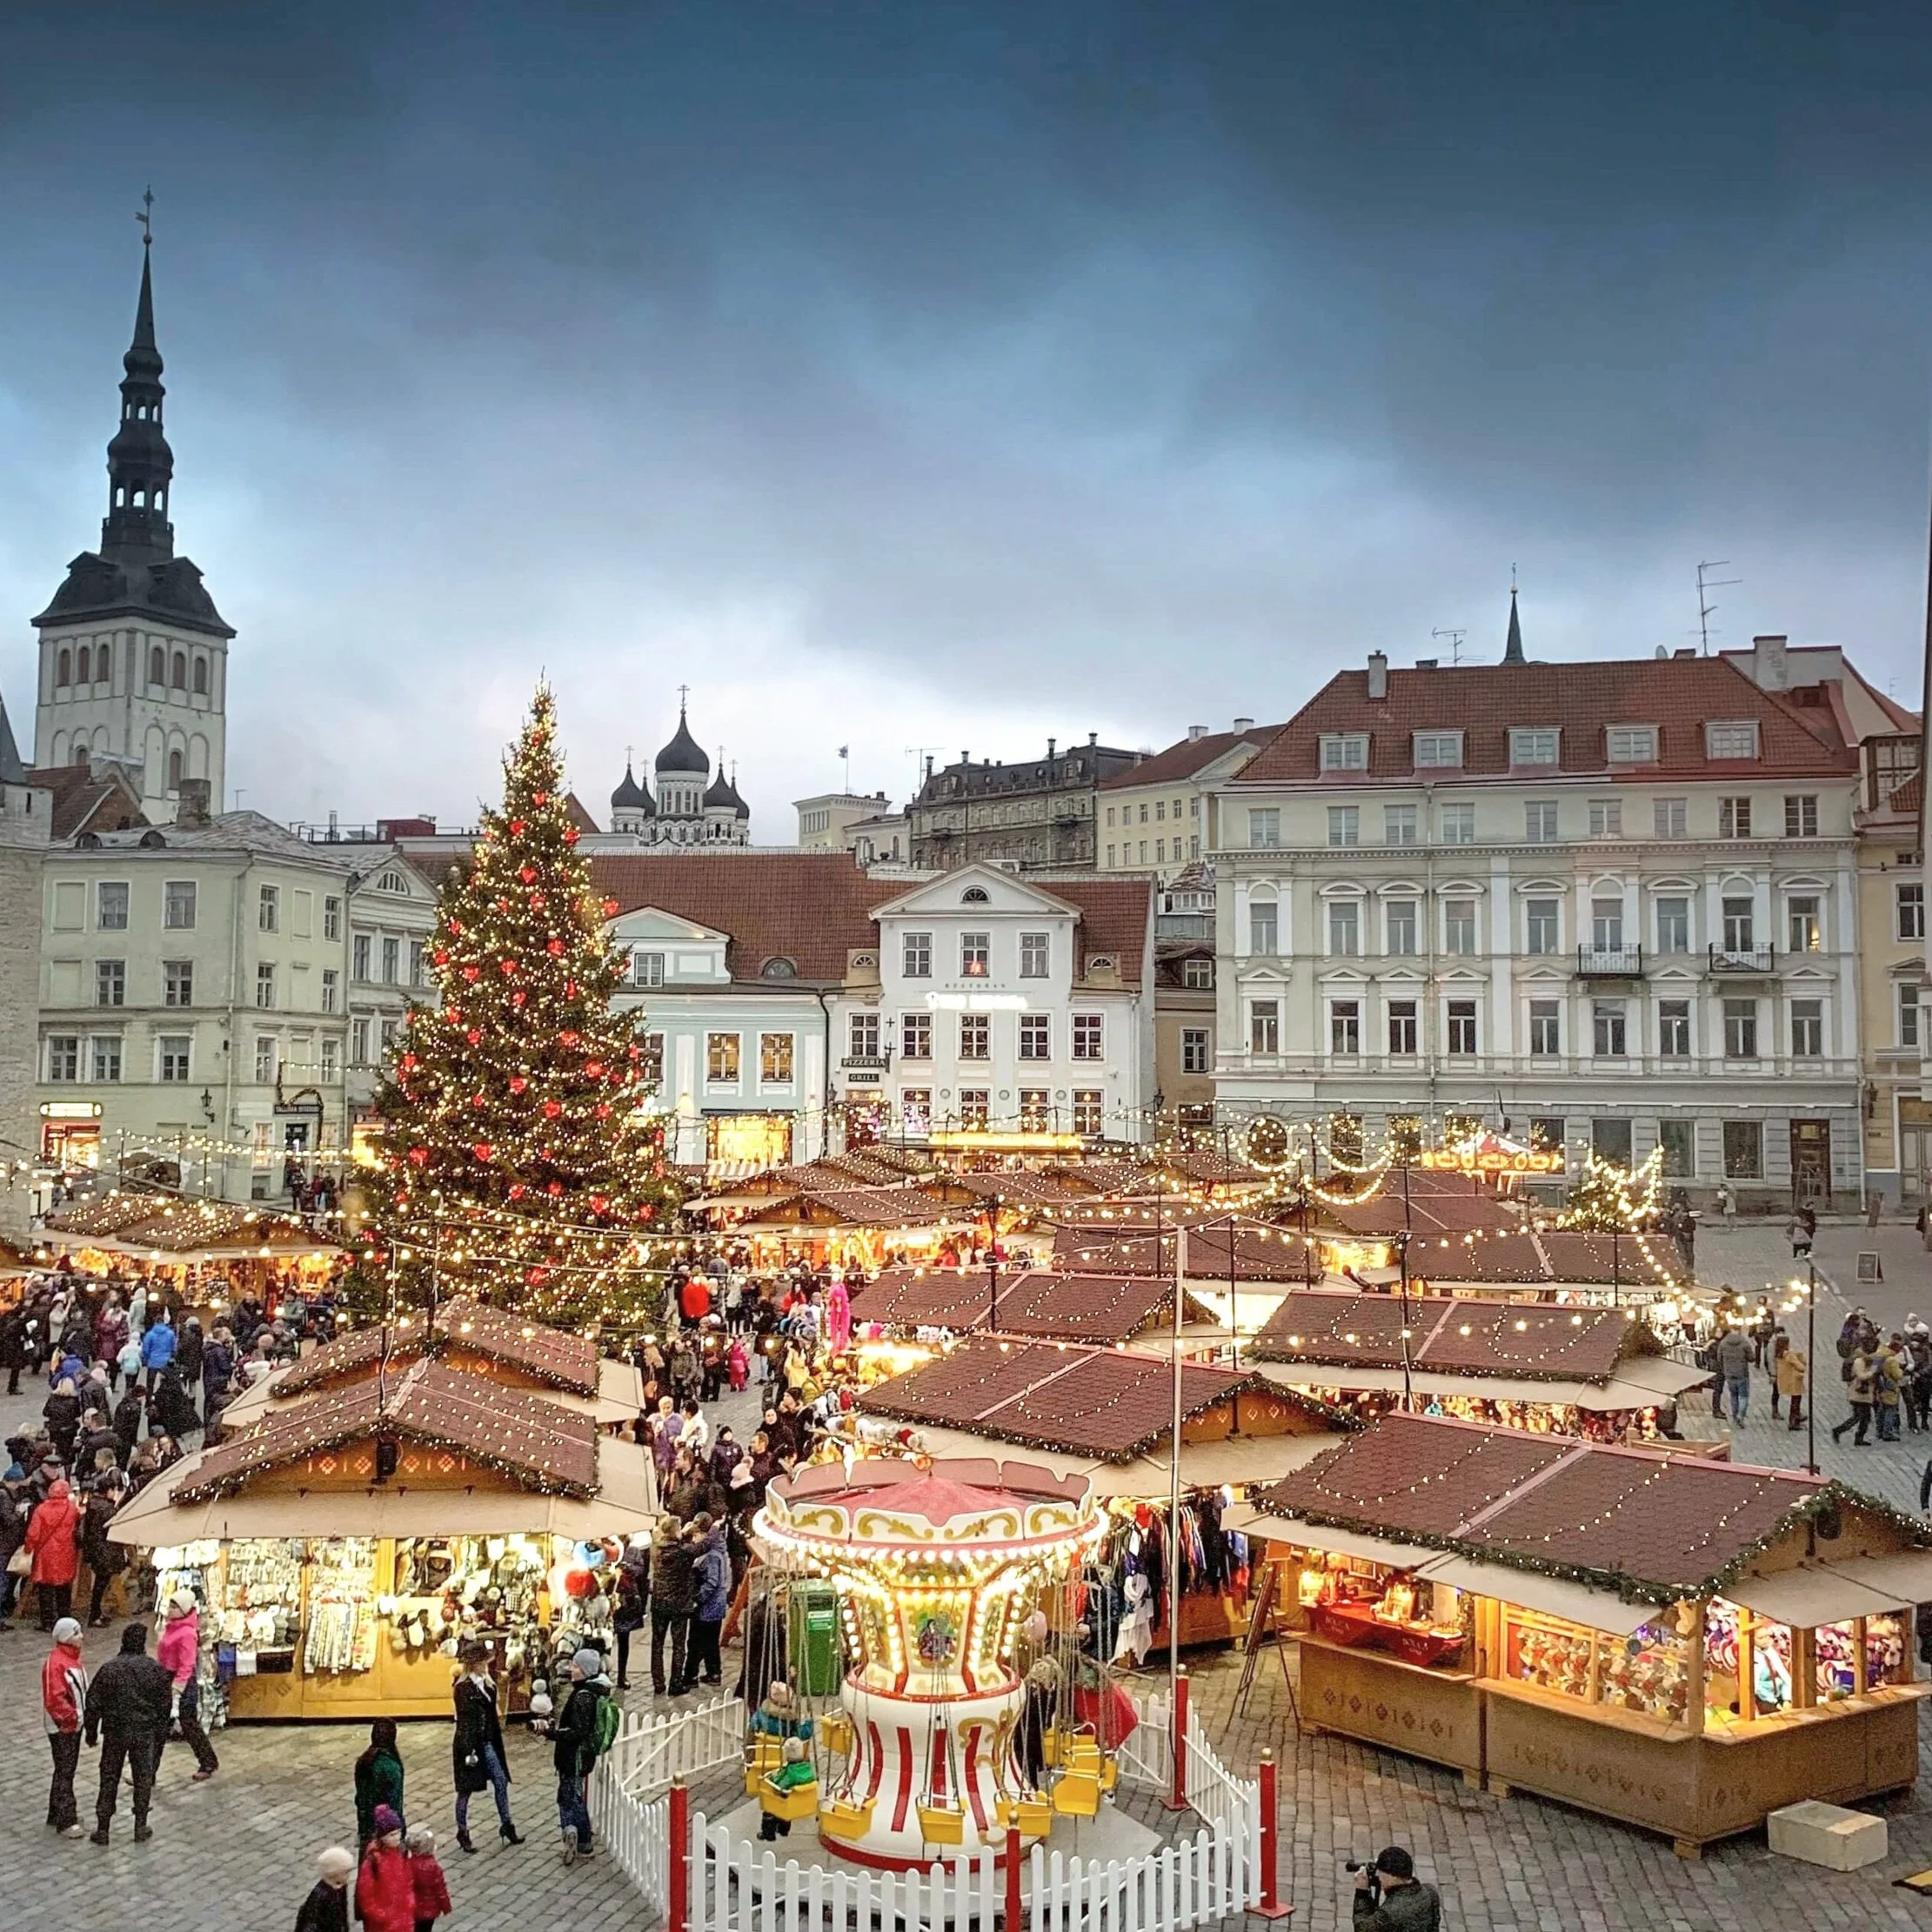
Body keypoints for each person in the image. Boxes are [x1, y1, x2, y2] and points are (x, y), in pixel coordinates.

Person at [84, 1621, 172, 1844]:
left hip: (115, 1732)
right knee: (142, 1777)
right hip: (143, 1732)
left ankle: (103, 1827)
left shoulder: (109, 1669)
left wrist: (91, 1732)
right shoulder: (154, 1670)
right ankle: (140, 1825)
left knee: (109, 1776)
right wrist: (159, 1734)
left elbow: (93, 1702)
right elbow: (165, 1707)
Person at [451, 1643, 520, 1851]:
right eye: (483, 1662)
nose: (487, 1665)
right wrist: (468, 1750)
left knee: (500, 1781)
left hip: (489, 1742)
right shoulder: (462, 1688)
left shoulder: (488, 1685)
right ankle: (462, 1831)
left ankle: (507, 1824)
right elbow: (464, 1722)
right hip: (470, 1744)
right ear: (474, 1664)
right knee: (465, 1790)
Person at [156, 1588, 218, 1780]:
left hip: (180, 1682)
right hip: (167, 1677)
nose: (170, 1609)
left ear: (183, 1609)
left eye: (174, 1606)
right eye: (170, 1605)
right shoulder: (171, 1626)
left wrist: (177, 1688)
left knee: (188, 1724)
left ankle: (208, 1762)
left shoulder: (187, 1633)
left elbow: (187, 1664)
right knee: (159, 1726)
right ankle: (146, 1773)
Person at [552, 1647, 605, 1863]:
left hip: (574, 1757)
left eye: (575, 1666)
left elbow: (577, 1732)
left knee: (570, 1799)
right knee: (572, 1796)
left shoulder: (583, 1697)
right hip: (579, 1757)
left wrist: (552, 1733)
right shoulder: (589, 1692)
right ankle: (580, 1838)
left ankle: (576, 1835)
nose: (571, 1669)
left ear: (585, 1670)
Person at [42, 1614, 87, 1836]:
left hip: (73, 1724)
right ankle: (66, 1820)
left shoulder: (71, 1658)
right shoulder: (57, 1662)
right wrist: (71, 1719)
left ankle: (56, 1812)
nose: (81, 1637)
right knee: (65, 1771)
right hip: (63, 1726)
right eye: (76, 1633)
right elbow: (54, 1699)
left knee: (64, 1769)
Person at [26, 1474, 82, 1630]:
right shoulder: (71, 1509)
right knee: (64, 1587)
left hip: (46, 1553)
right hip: (66, 1551)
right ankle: (64, 1617)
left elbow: (33, 1533)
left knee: (45, 1587)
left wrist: (28, 1548)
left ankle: (47, 1622)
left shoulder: (41, 1509)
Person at [650, 1513, 696, 1696]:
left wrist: (681, 1534)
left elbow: (671, 1542)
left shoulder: (656, 1549)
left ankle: (658, 1683)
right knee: (678, 1646)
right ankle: (675, 1683)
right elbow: (701, 1548)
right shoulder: (682, 1553)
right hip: (678, 1605)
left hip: (659, 1602)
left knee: (657, 1644)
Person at [1353, 1845, 1441, 1930]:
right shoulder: (1430, 1892)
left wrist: (1362, 1893)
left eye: (1381, 1874)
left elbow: (1362, 1928)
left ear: (1393, 1877)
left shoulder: (1389, 1913)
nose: (1379, 1877)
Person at [355, 1808, 414, 1932]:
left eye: (398, 1832)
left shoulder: (402, 1853)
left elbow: (408, 1881)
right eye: (392, 1835)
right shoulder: (373, 1861)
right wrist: (381, 1915)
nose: (397, 1837)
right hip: (382, 1925)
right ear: (382, 1837)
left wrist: (409, 1902)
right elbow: (365, 1895)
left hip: (403, 1919)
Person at [688, 1514, 730, 1688]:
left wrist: (698, 1599)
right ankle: (713, 1672)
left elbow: (712, 1582)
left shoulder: (712, 1556)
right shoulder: (717, 1551)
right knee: (710, 1641)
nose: (693, 1539)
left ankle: (698, 1674)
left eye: (695, 1535)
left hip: (709, 1606)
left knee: (701, 1641)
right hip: (715, 1604)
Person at [354, 1718, 407, 1847]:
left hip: (366, 1826)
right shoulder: (390, 1767)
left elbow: (360, 1798)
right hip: (385, 1831)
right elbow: (394, 1802)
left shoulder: (365, 1760)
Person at [759, 1735, 816, 1842]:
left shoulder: (790, 1774)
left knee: (771, 1805)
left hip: (788, 1803)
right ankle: (784, 1830)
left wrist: (773, 1777)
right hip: (801, 1801)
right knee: (787, 1799)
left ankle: (768, 1834)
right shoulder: (808, 1769)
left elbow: (780, 1785)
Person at [294, 1847, 356, 1932]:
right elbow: (311, 1922)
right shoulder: (321, 1896)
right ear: (334, 1872)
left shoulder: (341, 1887)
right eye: (346, 1872)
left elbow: (342, 1915)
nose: (348, 1875)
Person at [405, 1823, 451, 1932]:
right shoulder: (434, 1868)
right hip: (429, 1910)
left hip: (412, 1908)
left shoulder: (408, 1865)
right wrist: (446, 1906)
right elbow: (440, 1890)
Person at [1833, 1351, 1877, 1447]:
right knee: (1860, 1417)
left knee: (1862, 1417)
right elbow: (1861, 1376)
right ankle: (1840, 1431)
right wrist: (1872, 1372)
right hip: (1858, 1395)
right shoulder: (1859, 1362)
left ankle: (1857, 1438)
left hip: (1864, 1395)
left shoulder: (1869, 1362)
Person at [1712, 1324, 1752, 1425]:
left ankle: (1735, 1416)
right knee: (1743, 1396)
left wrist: (1725, 1368)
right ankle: (1740, 1415)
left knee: (1734, 1395)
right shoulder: (1744, 1343)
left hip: (1729, 1374)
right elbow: (1752, 1358)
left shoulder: (1723, 1343)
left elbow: (1719, 1358)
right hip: (1742, 1373)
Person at [1778, 1340, 1808, 1433]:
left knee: (1794, 1402)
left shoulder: (1780, 1355)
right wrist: (1801, 1359)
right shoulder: (1789, 1355)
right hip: (1794, 1381)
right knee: (1796, 1402)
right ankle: (1794, 1421)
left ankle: (1795, 1419)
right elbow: (1801, 1367)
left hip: (1788, 1380)